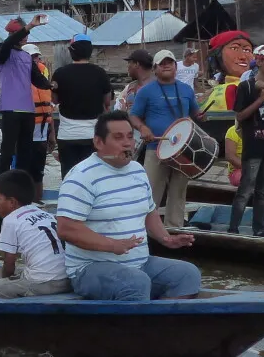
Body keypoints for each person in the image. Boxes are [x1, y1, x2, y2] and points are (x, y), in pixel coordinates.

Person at [55, 111, 201, 301]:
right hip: (90, 269)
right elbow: (67, 229)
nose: (127, 143)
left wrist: (166, 239)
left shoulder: (138, 170)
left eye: (130, 137)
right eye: (118, 138)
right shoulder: (81, 176)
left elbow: (149, 211)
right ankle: (134, 329)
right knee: (135, 282)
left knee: (188, 274)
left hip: (139, 264)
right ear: (98, 142)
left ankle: (164, 325)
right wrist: (111, 245)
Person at [129, 49, 203, 228]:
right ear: (155, 69)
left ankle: (174, 228)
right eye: (162, 63)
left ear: (176, 67)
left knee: (178, 192)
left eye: (170, 62)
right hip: (156, 147)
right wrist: (142, 127)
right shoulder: (146, 91)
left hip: (183, 149)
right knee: (151, 192)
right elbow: (133, 116)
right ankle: (147, 229)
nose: (166, 65)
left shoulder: (186, 89)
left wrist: (201, 116)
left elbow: (196, 113)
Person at [0, 169, 70, 299]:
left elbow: (9, 264)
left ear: (12, 202)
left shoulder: (11, 220)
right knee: (22, 273)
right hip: (67, 279)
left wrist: (5, 282)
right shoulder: (45, 213)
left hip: (44, 283)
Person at [228, 45, 264, 237]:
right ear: (259, 62)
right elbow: (240, 116)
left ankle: (259, 229)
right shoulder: (246, 86)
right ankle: (233, 228)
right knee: (246, 188)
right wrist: (260, 99)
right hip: (252, 144)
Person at [0, 15, 53, 176]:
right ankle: (1, 183)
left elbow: (38, 79)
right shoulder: (3, 53)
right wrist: (30, 26)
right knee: (7, 151)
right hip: (10, 109)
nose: (25, 36)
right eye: (22, 33)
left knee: (25, 151)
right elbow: (8, 43)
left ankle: (20, 183)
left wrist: (52, 86)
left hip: (28, 110)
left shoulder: (26, 57)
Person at [52, 34, 113, 179]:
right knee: (93, 177)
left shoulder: (60, 74)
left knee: (69, 177)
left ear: (71, 52)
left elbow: (54, 100)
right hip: (93, 136)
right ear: (90, 51)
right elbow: (107, 102)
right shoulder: (100, 73)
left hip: (67, 136)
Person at [25, 44, 54, 202]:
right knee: (23, 171)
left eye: (36, 57)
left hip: (42, 132)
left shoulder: (43, 80)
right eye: (31, 57)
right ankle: (24, 202)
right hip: (25, 132)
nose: (34, 60)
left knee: (38, 171)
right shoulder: (16, 79)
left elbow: (49, 109)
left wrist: (52, 135)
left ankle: (37, 201)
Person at [202, 30, 253, 112]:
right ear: (218, 55)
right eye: (234, 48)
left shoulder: (254, 87)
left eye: (247, 50)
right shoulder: (220, 88)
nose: (243, 57)